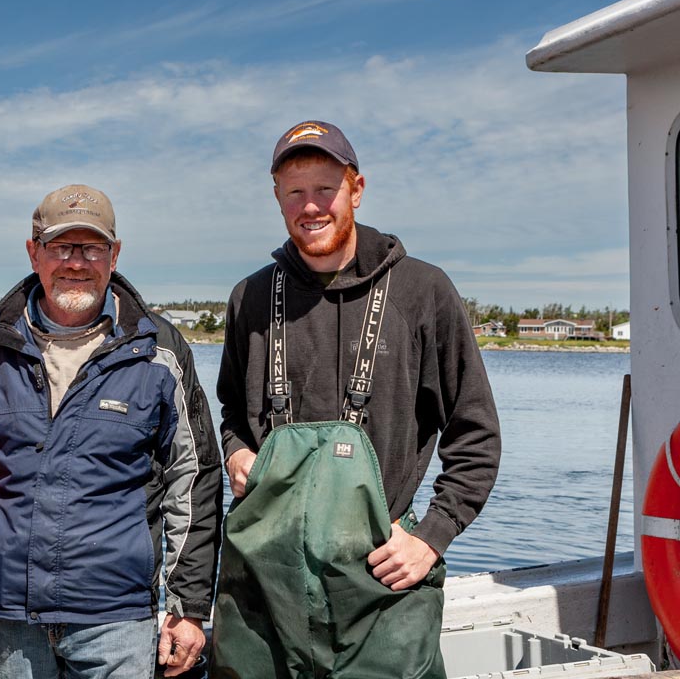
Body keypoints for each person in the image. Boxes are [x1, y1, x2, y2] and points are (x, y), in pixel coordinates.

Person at [211, 122, 501, 679]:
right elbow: (230, 413)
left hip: (380, 578)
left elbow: (476, 434)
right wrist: (235, 451)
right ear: (276, 197)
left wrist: (432, 535)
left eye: (326, 188)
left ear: (357, 189)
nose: (310, 206)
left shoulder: (424, 292)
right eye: (295, 192)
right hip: (263, 579)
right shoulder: (250, 297)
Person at [0, 184, 223, 678]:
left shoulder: (158, 351)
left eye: (93, 248)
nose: (76, 262)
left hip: (117, 619)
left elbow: (195, 478)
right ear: (33, 253)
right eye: (61, 246)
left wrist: (187, 607)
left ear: (114, 255)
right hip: (7, 614)